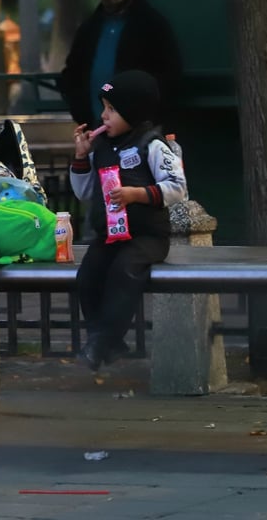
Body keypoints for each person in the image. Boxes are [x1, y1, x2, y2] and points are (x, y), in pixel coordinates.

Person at [69, 70, 188, 370]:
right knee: (88, 276)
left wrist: (138, 194)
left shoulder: (153, 145)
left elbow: (178, 188)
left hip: (147, 237)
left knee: (124, 272)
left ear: (133, 112)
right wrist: (82, 158)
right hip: (109, 236)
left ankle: (101, 342)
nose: (103, 116)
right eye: (103, 108)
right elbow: (84, 192)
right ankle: (106, 340)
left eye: (111, 109)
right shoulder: (102, 148)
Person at [59, 0, 182, 129]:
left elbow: (169, 74)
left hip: (137, 128)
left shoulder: (152, 25)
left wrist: (149, 116)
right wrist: (80, 112)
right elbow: (72, 71)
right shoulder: (90, 28)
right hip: (95, 124)